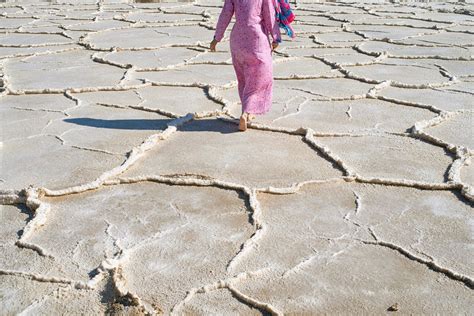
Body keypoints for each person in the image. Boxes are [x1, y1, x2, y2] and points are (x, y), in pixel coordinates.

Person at [210, 0, 281, 131]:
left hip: (237, 42)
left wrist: (217, 38)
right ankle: (246, 112)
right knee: (260, 80)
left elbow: (225, 14)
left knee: (244, 79)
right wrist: (276, 37)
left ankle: (249, 112)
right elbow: (270, 15)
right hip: (256, 40)